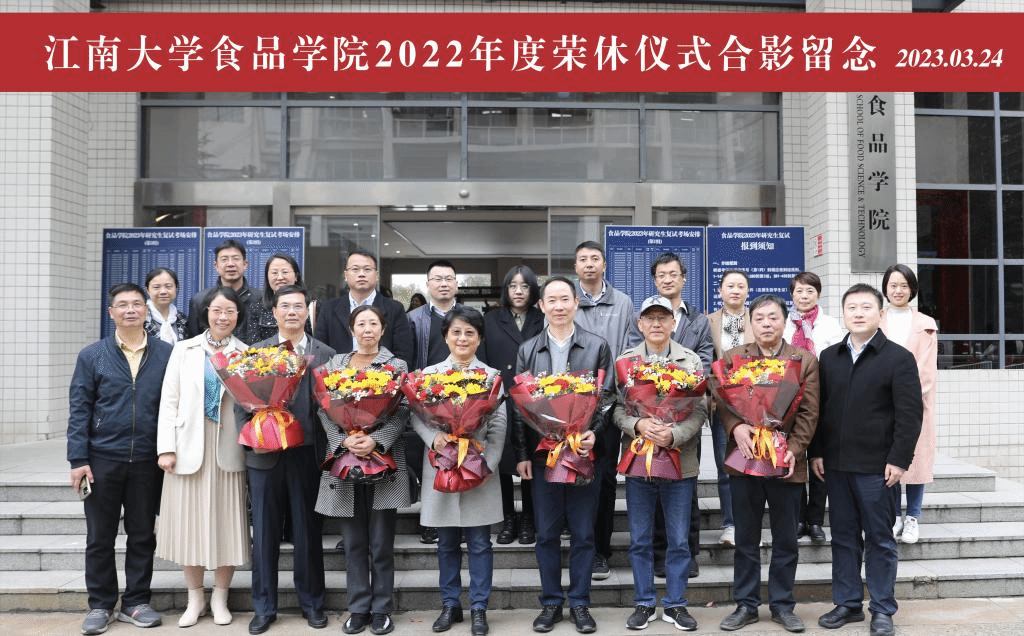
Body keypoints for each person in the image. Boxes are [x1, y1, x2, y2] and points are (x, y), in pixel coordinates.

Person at [811, 284, 923, 636]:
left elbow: (910, 415)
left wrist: (899, 460)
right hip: (837, 466)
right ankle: (847, 603)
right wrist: (817, 451)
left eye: (866, 307)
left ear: (880, 313)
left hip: (878, 468)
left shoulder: (898, 358)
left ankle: (882, 608)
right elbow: (819, 410)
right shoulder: (829, 357)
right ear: (843, 314)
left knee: (880, 539)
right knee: (843, 537)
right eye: (852, 307)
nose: (858, 313)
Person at [67, 283, 173, 635]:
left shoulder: (165, 353)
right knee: (100, 537)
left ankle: (136, 602)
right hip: (102, 459)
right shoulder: (92, 355)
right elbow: (80, 409)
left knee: (142, 534)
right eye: (123, 305)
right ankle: (100, 604)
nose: (130, 310)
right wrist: (78, 459)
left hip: (147, 460)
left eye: (137, 304)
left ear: (146, 310)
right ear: (110, 312)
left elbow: (173, 406)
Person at [512, 276, 613, 635]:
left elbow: (606, 397)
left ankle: (581, 602)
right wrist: (522, 453)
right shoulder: (528, 350)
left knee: (584, 532)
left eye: (564, 299)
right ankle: (552, 602)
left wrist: (593, 433)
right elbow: (520, 406)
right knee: (547, 533)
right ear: (541, 306)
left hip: (583, 452)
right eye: (551, 300)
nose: (558, 306)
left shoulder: (597, 346)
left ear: (575, 303)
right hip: (543, 455)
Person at [235, 285, 336, 635]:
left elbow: (335, 407)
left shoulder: (326, 354)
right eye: (285, 306)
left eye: (298, 306)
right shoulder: (257, 352)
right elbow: (240, 402)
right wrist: (252, 443)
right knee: (264, 534)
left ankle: (312, 603)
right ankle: (264, 607)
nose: (292, 312)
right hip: (265, 456)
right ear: (275, 312)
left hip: (307, 455)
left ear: (307, 312)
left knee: (308, 532)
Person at [717, 294, 820, 634]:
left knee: (786, 539)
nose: (766, 324)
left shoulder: (803, 361)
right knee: (746, 539)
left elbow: (809, 412)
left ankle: (782, 605)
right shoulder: (733, 358)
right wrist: (736, 426)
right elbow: (722, 401)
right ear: (750, 323)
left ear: (784, 322)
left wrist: (794, 449)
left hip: (785, 463)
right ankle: (745, 605)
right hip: (745, 459)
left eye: (773, 317)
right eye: (759, 318)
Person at [155, 286, 250, 627]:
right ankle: (195, 598)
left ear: (238, 316)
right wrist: (166, 447)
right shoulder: (185, 349)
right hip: (188, 445)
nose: (223, 317)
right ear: (206, 312)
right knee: (188, 525)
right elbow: (169, 400)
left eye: (230, 311)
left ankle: (220, 597)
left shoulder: (247, 354)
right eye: (217, 310)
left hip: (228, 448)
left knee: (228, 524)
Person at [315, 305, 410, 636]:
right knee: (353, 542)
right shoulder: (334, 365)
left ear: (382, 330)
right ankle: (358, 608)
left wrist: (376, 440)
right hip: (345, 459)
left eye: (373, 324)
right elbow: (324, 409)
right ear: (351, 329)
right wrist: (345, 440)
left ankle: (382, 609)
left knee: (381, 543)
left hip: (383, 461)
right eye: (361, 323)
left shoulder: (396, 366)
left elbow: (403, 410)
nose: (367, 329)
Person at [613, 296, 706, 632]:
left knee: (678, 540)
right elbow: (615, 408)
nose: (656, 324)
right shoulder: (625, 361)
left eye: (663, 318)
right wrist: (638, 425)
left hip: (679, 461)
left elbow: (700, 408)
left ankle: (676, 604)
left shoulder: (690, 360)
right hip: (640, 460)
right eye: (649, 318)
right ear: (640, 324)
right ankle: (644, 602)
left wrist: (674, 434)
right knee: (640, 538)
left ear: (673, 323)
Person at [412, 307, 506, 636]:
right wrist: (433, 438)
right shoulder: (429, 374)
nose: (462, 338)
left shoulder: (491, 376)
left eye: (470, 333)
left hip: (478, 468)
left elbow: (498, 424)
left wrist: (487, 463)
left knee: (480, 543)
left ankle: (479, 607)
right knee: (446, 543)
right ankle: (450, 604)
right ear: (445, 336)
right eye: (456, 332)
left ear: (479, 339)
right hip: (442, 466)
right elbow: (417, 416)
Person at [633, 252, 713, 580]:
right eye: (661, 275)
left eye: (673, 274)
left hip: (684, 416)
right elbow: (633, 362)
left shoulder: (698, 320)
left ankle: (688, 553)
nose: (667, 279)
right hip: (648, 418)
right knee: (652, 482)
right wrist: (651, 405)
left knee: (685, 485)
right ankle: (657, 553)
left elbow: (705, 359)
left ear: (683, 278)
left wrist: (683, 389)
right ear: (655, 280)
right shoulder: (642, 317)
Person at [572, 240, 636, 581]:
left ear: (604, 264)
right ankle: (577, 543)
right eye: (583, 259)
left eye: (595, 258)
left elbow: (628, 351)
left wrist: (609, 393)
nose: (589, 264)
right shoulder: (567, 300)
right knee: (572, 472)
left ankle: (600, 550)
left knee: (606, 477)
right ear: (575, 267)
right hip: (570, 407)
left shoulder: (623, 303)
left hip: (610, 404)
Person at [479, 265, 544, 546]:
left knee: (530, 457)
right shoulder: (491, 319)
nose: (518, 291)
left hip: (535, 401)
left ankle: (529, 518)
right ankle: (508, 518)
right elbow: (483, 361)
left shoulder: (543, 318)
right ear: (506, 290)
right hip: (501, 399)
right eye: (513, 286)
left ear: (533, 290)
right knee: (502, 460)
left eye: (525, 286)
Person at [783, 271, 844, 543]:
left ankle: (816, 520)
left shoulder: (830, 325)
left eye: (810, 290)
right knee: (794, 456)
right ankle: (798, 518)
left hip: (822, 398)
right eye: (799, 291)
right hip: (788, 401)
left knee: (819, 459)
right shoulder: (784, 324)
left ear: (818, 294)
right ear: (792, 295)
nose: (804, 296)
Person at [880, 265, 938, 545]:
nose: (898, 290)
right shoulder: (876, 319)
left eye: (904, 285)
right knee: (887, 460)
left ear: (912, 289)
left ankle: (913, 517)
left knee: (916, 461)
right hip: (879, 404)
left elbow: (927, 370)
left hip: (914, 404)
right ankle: (893, 516)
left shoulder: (925, 324)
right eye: (893, 285)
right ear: (885, 288)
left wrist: (905, 397)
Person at [406, 259, 461, 544]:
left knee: (460, 458)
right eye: (437, 279)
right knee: (431, 462)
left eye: (448, 278)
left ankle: (459, 521)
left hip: (465, 400)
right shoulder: (414, 319)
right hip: (427, 402)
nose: (443, 283)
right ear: (428, 284)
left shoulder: (468, 317)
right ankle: (430, 521)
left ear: (456, 284)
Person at [705, 269, 754, 547]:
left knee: (752, 462)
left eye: (741, 286)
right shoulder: (708, 321)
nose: (735, 290)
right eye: (730, 286)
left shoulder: (757, 318)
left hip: (755, 404)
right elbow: (706, 360)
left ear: (747, 291)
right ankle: (730, 524)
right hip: (722, 403)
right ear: (720, 291)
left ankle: (750, 523)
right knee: (726, 465)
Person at [315, 250, 414, 369]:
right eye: (355, 269)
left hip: (382, 378)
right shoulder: (328, 308)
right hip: (336, 377)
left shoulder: (395, 309)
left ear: (377, 275)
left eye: (367, 269)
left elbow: (404, 353)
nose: (361, 274)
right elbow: (320, 352)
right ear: (346, 275)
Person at [186, 240, 261, 343]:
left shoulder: (260, 298)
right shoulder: (199, 300)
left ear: (245, 264)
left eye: (235, 259)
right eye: (224, 259)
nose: (230, 264)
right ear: (216, 266)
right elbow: (193, 341)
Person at [252, 253, 302, 342]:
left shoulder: (310, 306)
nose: (280, 277)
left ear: (296, 276)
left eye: (285, 272)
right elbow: (252, 344)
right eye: (274, 273)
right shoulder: (256, 307)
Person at [143, 267, 188, 344]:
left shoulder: (182, 319)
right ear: (148, 290)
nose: (163, 291)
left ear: (176, 288)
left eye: (168, 286)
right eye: (156, 287)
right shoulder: (140, 317)